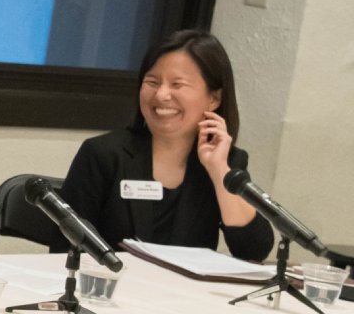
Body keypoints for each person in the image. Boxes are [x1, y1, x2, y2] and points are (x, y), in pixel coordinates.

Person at [57, 30, 272, 261]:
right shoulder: (103, 154)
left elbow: (254, 250)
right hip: (113, 290)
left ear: (214, 98)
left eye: (177, 84)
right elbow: (65, 249)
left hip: (185, 293)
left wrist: (219, 169)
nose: (161, 95)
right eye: (152, 82)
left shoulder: (226, 162)